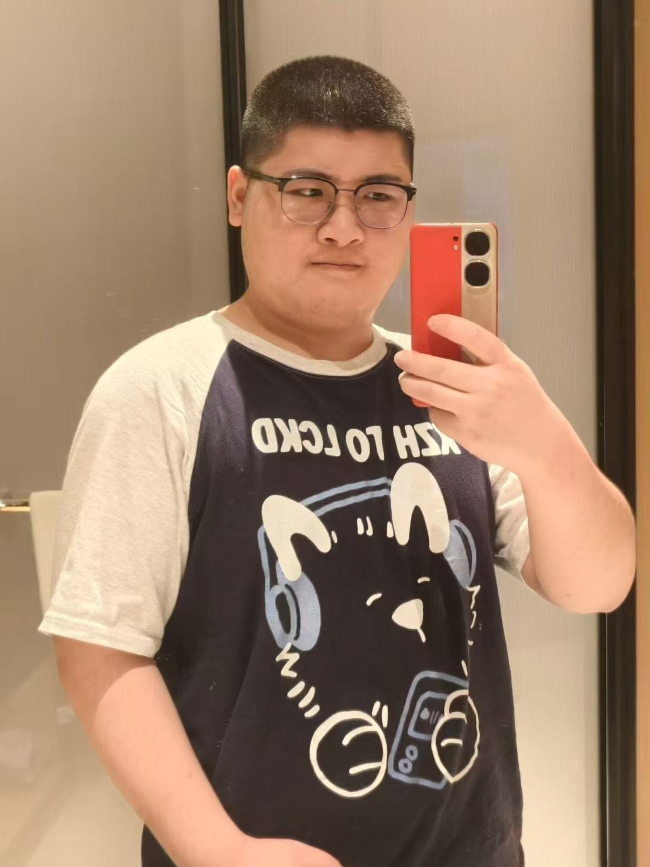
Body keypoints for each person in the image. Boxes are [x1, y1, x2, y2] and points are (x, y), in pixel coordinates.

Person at [38, 56, 636, 867]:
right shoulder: (163, 388)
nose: (344, 228)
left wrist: (543, 441)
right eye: (308, 189)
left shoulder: (454, 389)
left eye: (378, 195)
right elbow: (100, 648)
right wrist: (218, 850)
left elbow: (598, 584)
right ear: (239, 196)